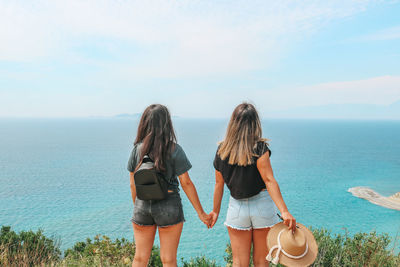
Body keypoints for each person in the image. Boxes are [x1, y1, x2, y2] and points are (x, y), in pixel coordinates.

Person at [208, 103, 297, 267]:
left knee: (239, 263)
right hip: (262, 207)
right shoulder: (260, 148)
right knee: (261, 262)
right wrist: (284, 211)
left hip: (236, 209)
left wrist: (215, 211)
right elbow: (269, 180)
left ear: (233, 123)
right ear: (255, 123)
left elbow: (218, 184)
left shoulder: (222, 150)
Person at [127, 104, 210, 267]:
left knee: (139, 259)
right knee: (169, 260)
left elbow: (132, 184)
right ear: (167, 123)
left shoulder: (137, 150)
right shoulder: (175, 149)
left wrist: (139, 206)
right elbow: (186, 182)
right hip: (169, 205)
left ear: (144, 123)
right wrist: (201, 213)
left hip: (142, 205)